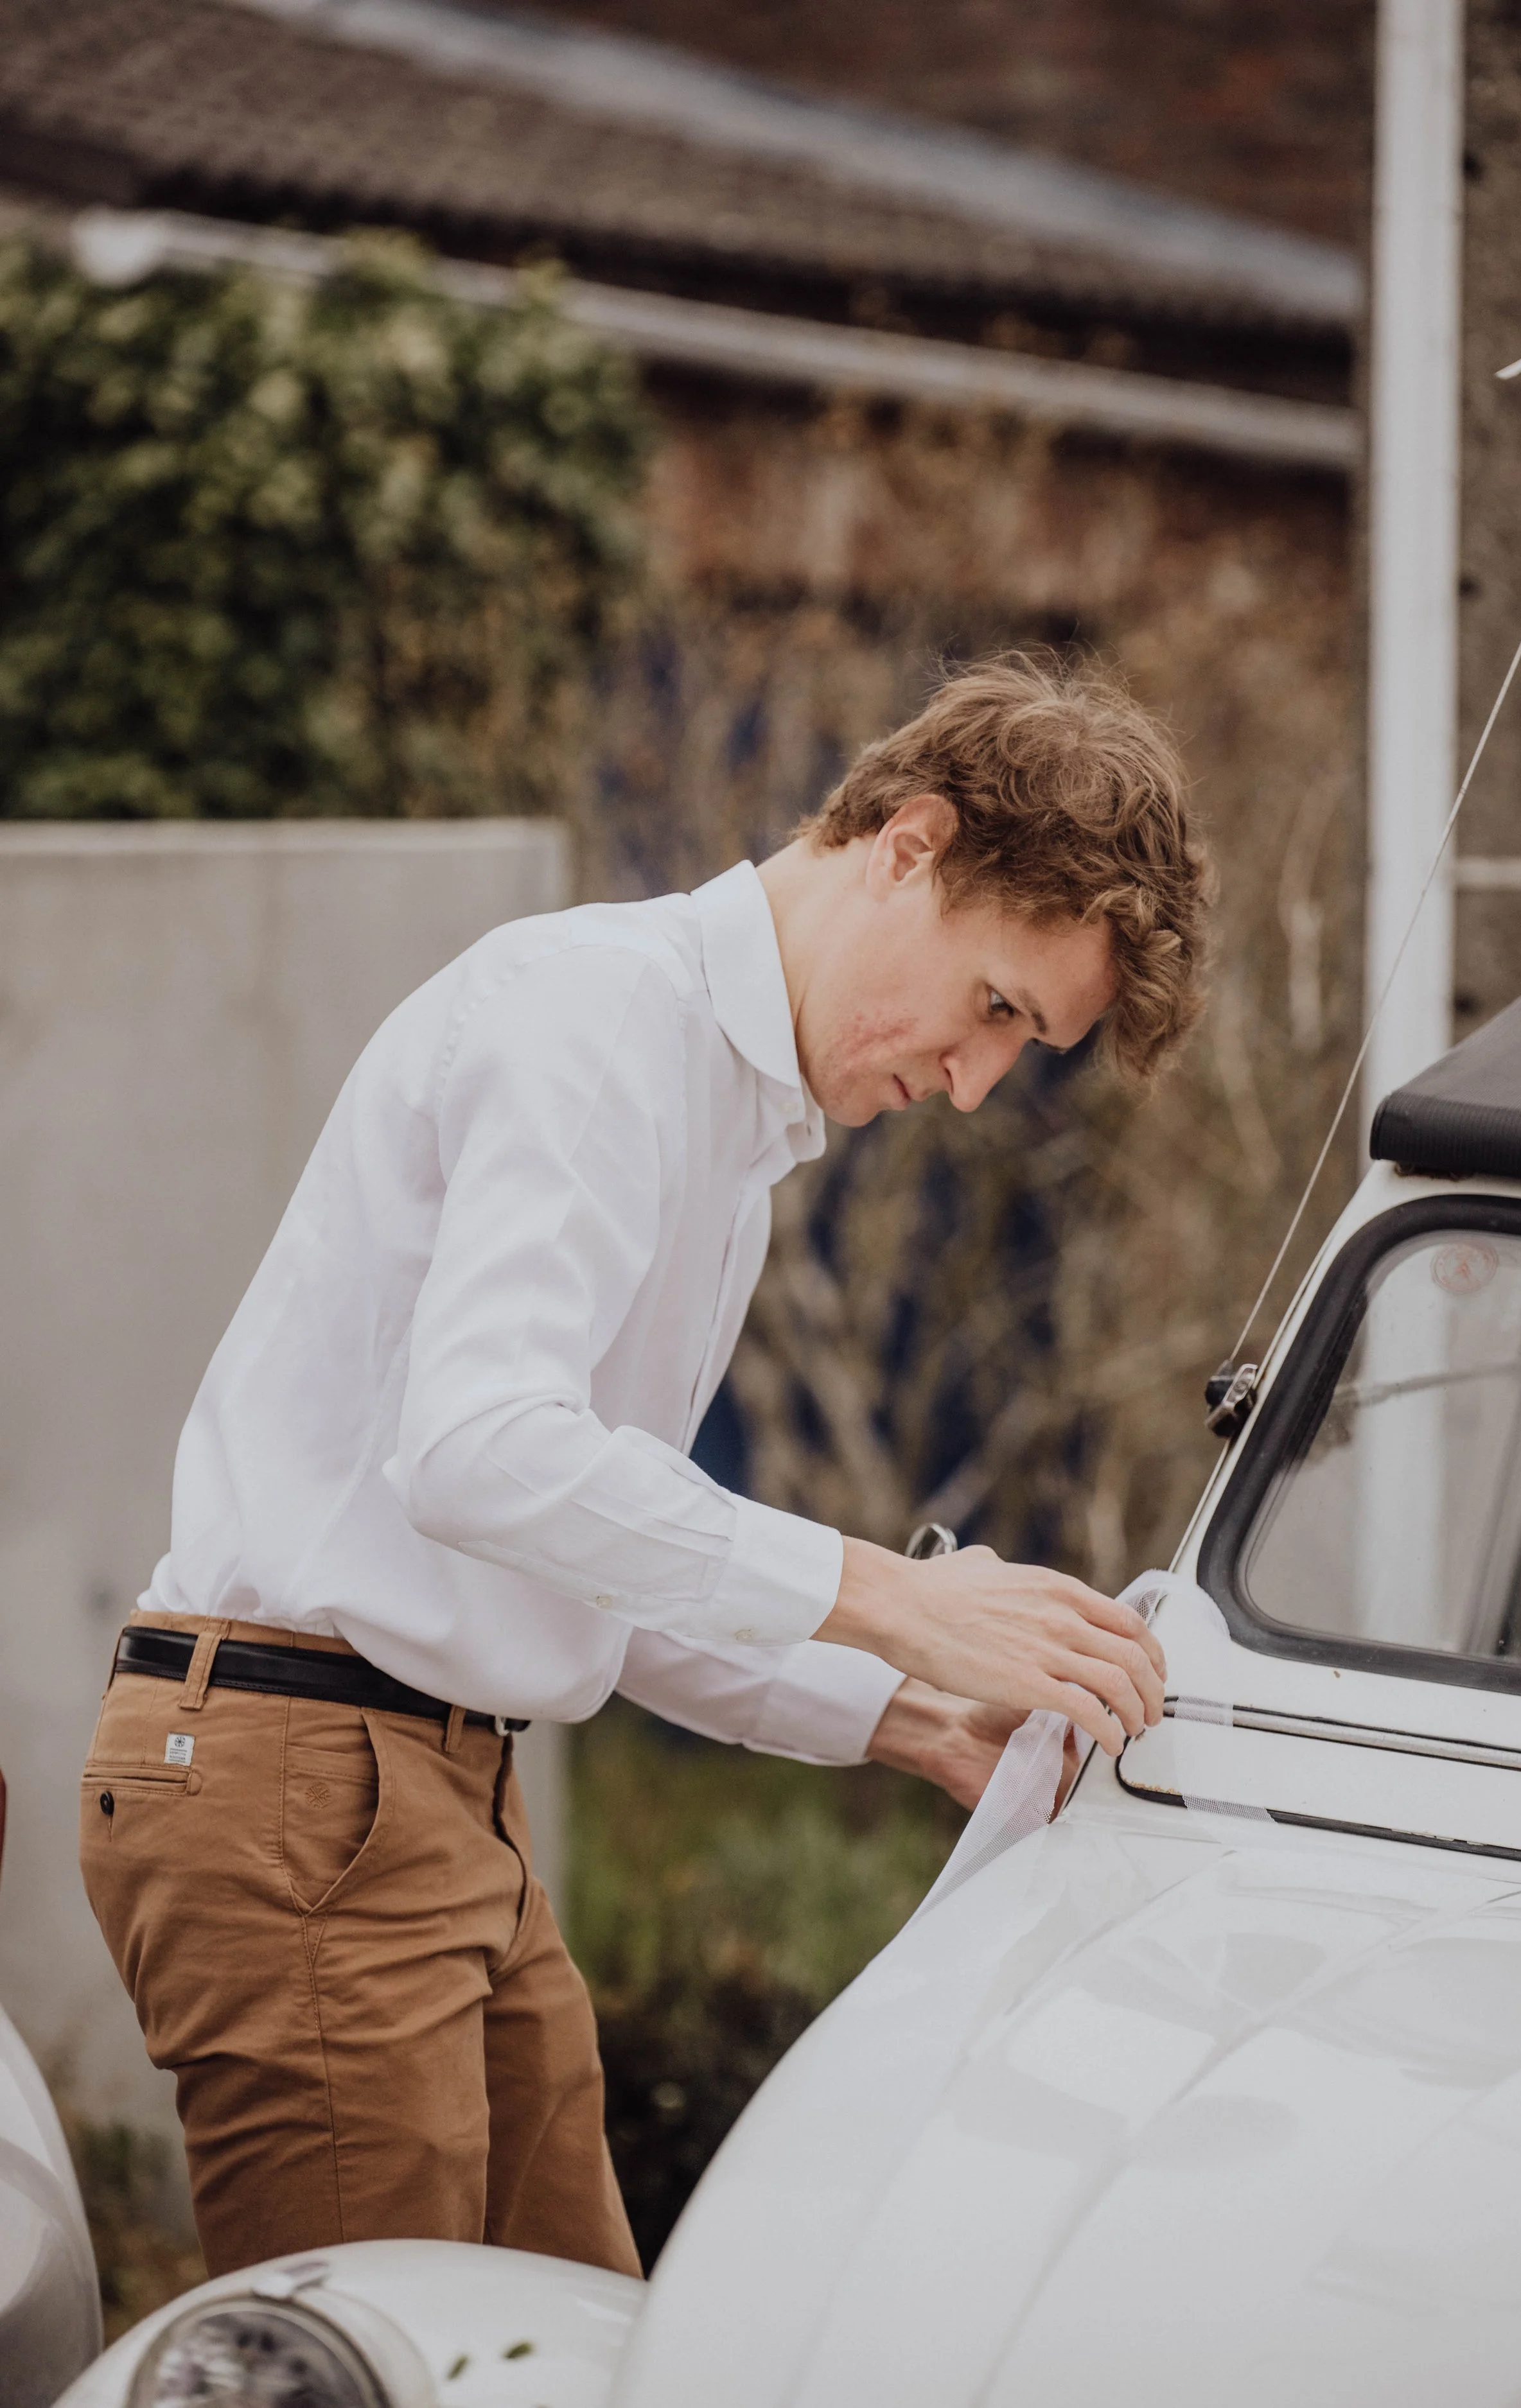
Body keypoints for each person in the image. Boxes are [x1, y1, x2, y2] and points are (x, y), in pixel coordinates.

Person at [80, 653, 1209, 2278]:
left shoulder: (723, 1122)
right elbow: (481, 1459)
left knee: (580, 2341)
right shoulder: (599, 1016)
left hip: (428, 1792)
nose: (969, 1086)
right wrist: (896, 1603)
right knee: (386, 2376)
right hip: (301, 1782)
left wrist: (910, 1719)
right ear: (909, 842)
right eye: (993, 1009)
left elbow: (582, 1548)